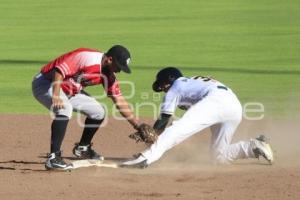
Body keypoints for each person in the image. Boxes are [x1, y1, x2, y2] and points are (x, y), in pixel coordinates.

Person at [122, 67, 274, 168]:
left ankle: (145, 158)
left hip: (217, 101)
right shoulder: (192, 82)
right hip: (234, 106)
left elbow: (164, 119)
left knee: (177, 129)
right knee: (218, 156)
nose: (163, 89)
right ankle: (253, 146)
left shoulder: (176, 87)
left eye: (162, 84)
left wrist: (153, 133)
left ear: (170, 79)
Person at [32, 45, 142, 170]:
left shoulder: (108, 75)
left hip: (70, 91)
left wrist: (138, 125)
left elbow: (119, 100)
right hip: (47, 84)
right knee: (64, 108)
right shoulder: (87, 58)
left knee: (99, 112)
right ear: (110, 59)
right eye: (118, 66)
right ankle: (53, 158)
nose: (119, 71)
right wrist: (56, 95)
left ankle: (83, 148)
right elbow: (59, 71)